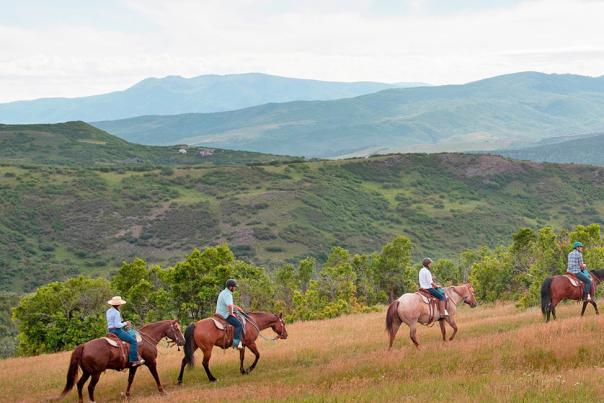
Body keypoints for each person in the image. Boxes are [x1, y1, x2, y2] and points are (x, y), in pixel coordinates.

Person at [106, 296, 145, 366]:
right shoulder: (116, 312)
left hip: (110, 331)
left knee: (130, 336)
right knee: (133, 341)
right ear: (119, 304)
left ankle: (136, 355)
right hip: (117, 331)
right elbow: (117, 325)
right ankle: (134, 360)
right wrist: (126, 323)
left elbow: (112, 322)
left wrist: (122, 323)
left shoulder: (108, 311)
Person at [216, 279, 245, 350]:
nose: (235, 288)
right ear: (230, 287)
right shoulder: (228, 294)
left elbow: (230, 305)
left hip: (219, 312)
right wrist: (232, 314)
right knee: (239, 324)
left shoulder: (224, 292)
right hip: (224, 314)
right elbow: (229, 306)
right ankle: (236, 344)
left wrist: (237, 308)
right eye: (234, 287)